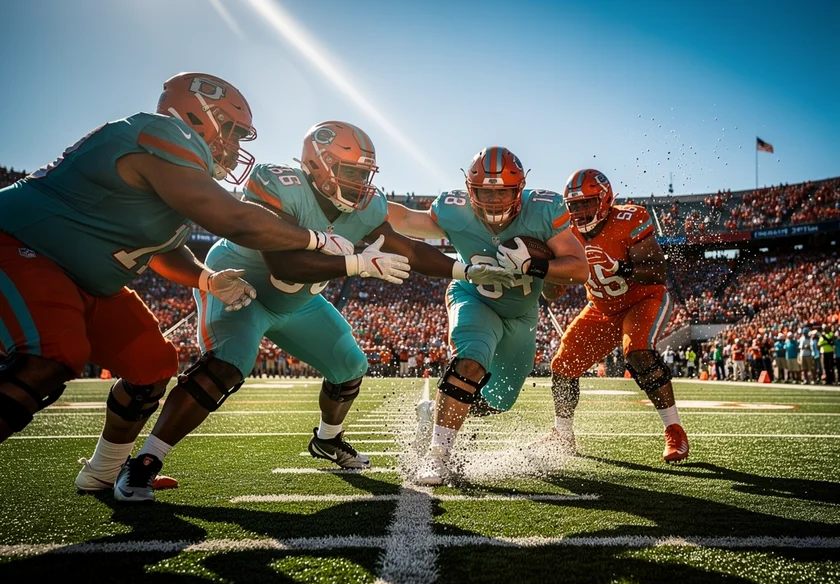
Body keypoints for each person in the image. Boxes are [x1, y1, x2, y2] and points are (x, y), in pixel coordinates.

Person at [111, 122, 515, 501]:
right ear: (316, 164)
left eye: (364, 174)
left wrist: (462, 268)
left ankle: (327, 439)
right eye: (349, 171)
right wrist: (356, 263)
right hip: (242, 289)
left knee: (350, 365)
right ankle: (146, 461)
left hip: (300, 302)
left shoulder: (367, 206)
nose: (359, 183)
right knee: (228, 364)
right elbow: (283, 265)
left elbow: (405, 247)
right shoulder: (279, 186)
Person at [0, 73, 354, 476]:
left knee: (152, 364)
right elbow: (231, 218)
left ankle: (103, 472)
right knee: (52, 354)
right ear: (196, 115)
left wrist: (207, 279)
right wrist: (314, 239)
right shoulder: (160, 131)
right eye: (233, 131)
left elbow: (162, 249)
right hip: (18, 245)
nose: (236, 146)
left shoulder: (177, 173)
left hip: (86, 281)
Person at [388, 147, 589, 486]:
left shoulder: (544, 210)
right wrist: (358, 203)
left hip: (522, 315)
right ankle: (438, 454)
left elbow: (579, 268)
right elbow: (407, 220)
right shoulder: (454, 211)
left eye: (503, 192)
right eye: (485, 191)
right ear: (470, 190)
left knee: (498, 401)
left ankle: (435, 416)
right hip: (474, 297)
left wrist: (533, 265)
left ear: (519, 190)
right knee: (470, 361)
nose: (494, 200)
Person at [545, 168, 690, 463]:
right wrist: (545, 270)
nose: (581, 211)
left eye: (587, 203)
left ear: (606, 199)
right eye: (575, 205)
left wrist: (619, 267)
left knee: (637, 352)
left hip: (642, 299)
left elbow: (657, 273)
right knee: (562, 365)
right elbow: (552, 293)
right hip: (601, 308)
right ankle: (563, 434)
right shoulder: (566, 232)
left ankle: (674, 429)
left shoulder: (630, 218)